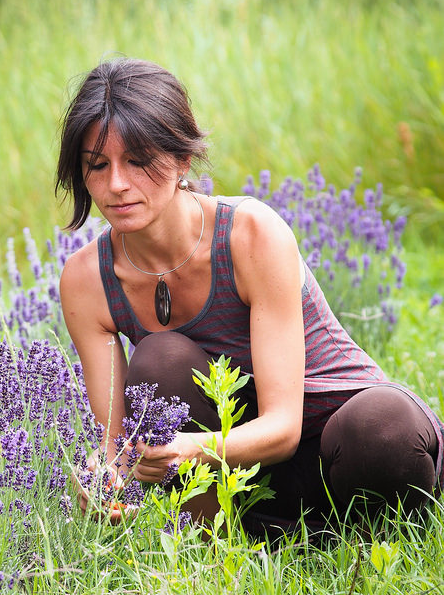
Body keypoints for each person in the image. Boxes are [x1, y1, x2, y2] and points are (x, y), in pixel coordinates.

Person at [57, 57, 443, 534]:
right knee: (159, 361)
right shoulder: (86, 280)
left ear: (182, 158)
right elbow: (115, 442)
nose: (116, 184)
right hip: (251, 487)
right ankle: (214, 548)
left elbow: (284, 429)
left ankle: (373, 548)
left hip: (346, 447)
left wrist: (187, 450)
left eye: (138, 160)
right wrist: (106, 477)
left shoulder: (251, 234)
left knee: (382, 424)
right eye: (98, 165)